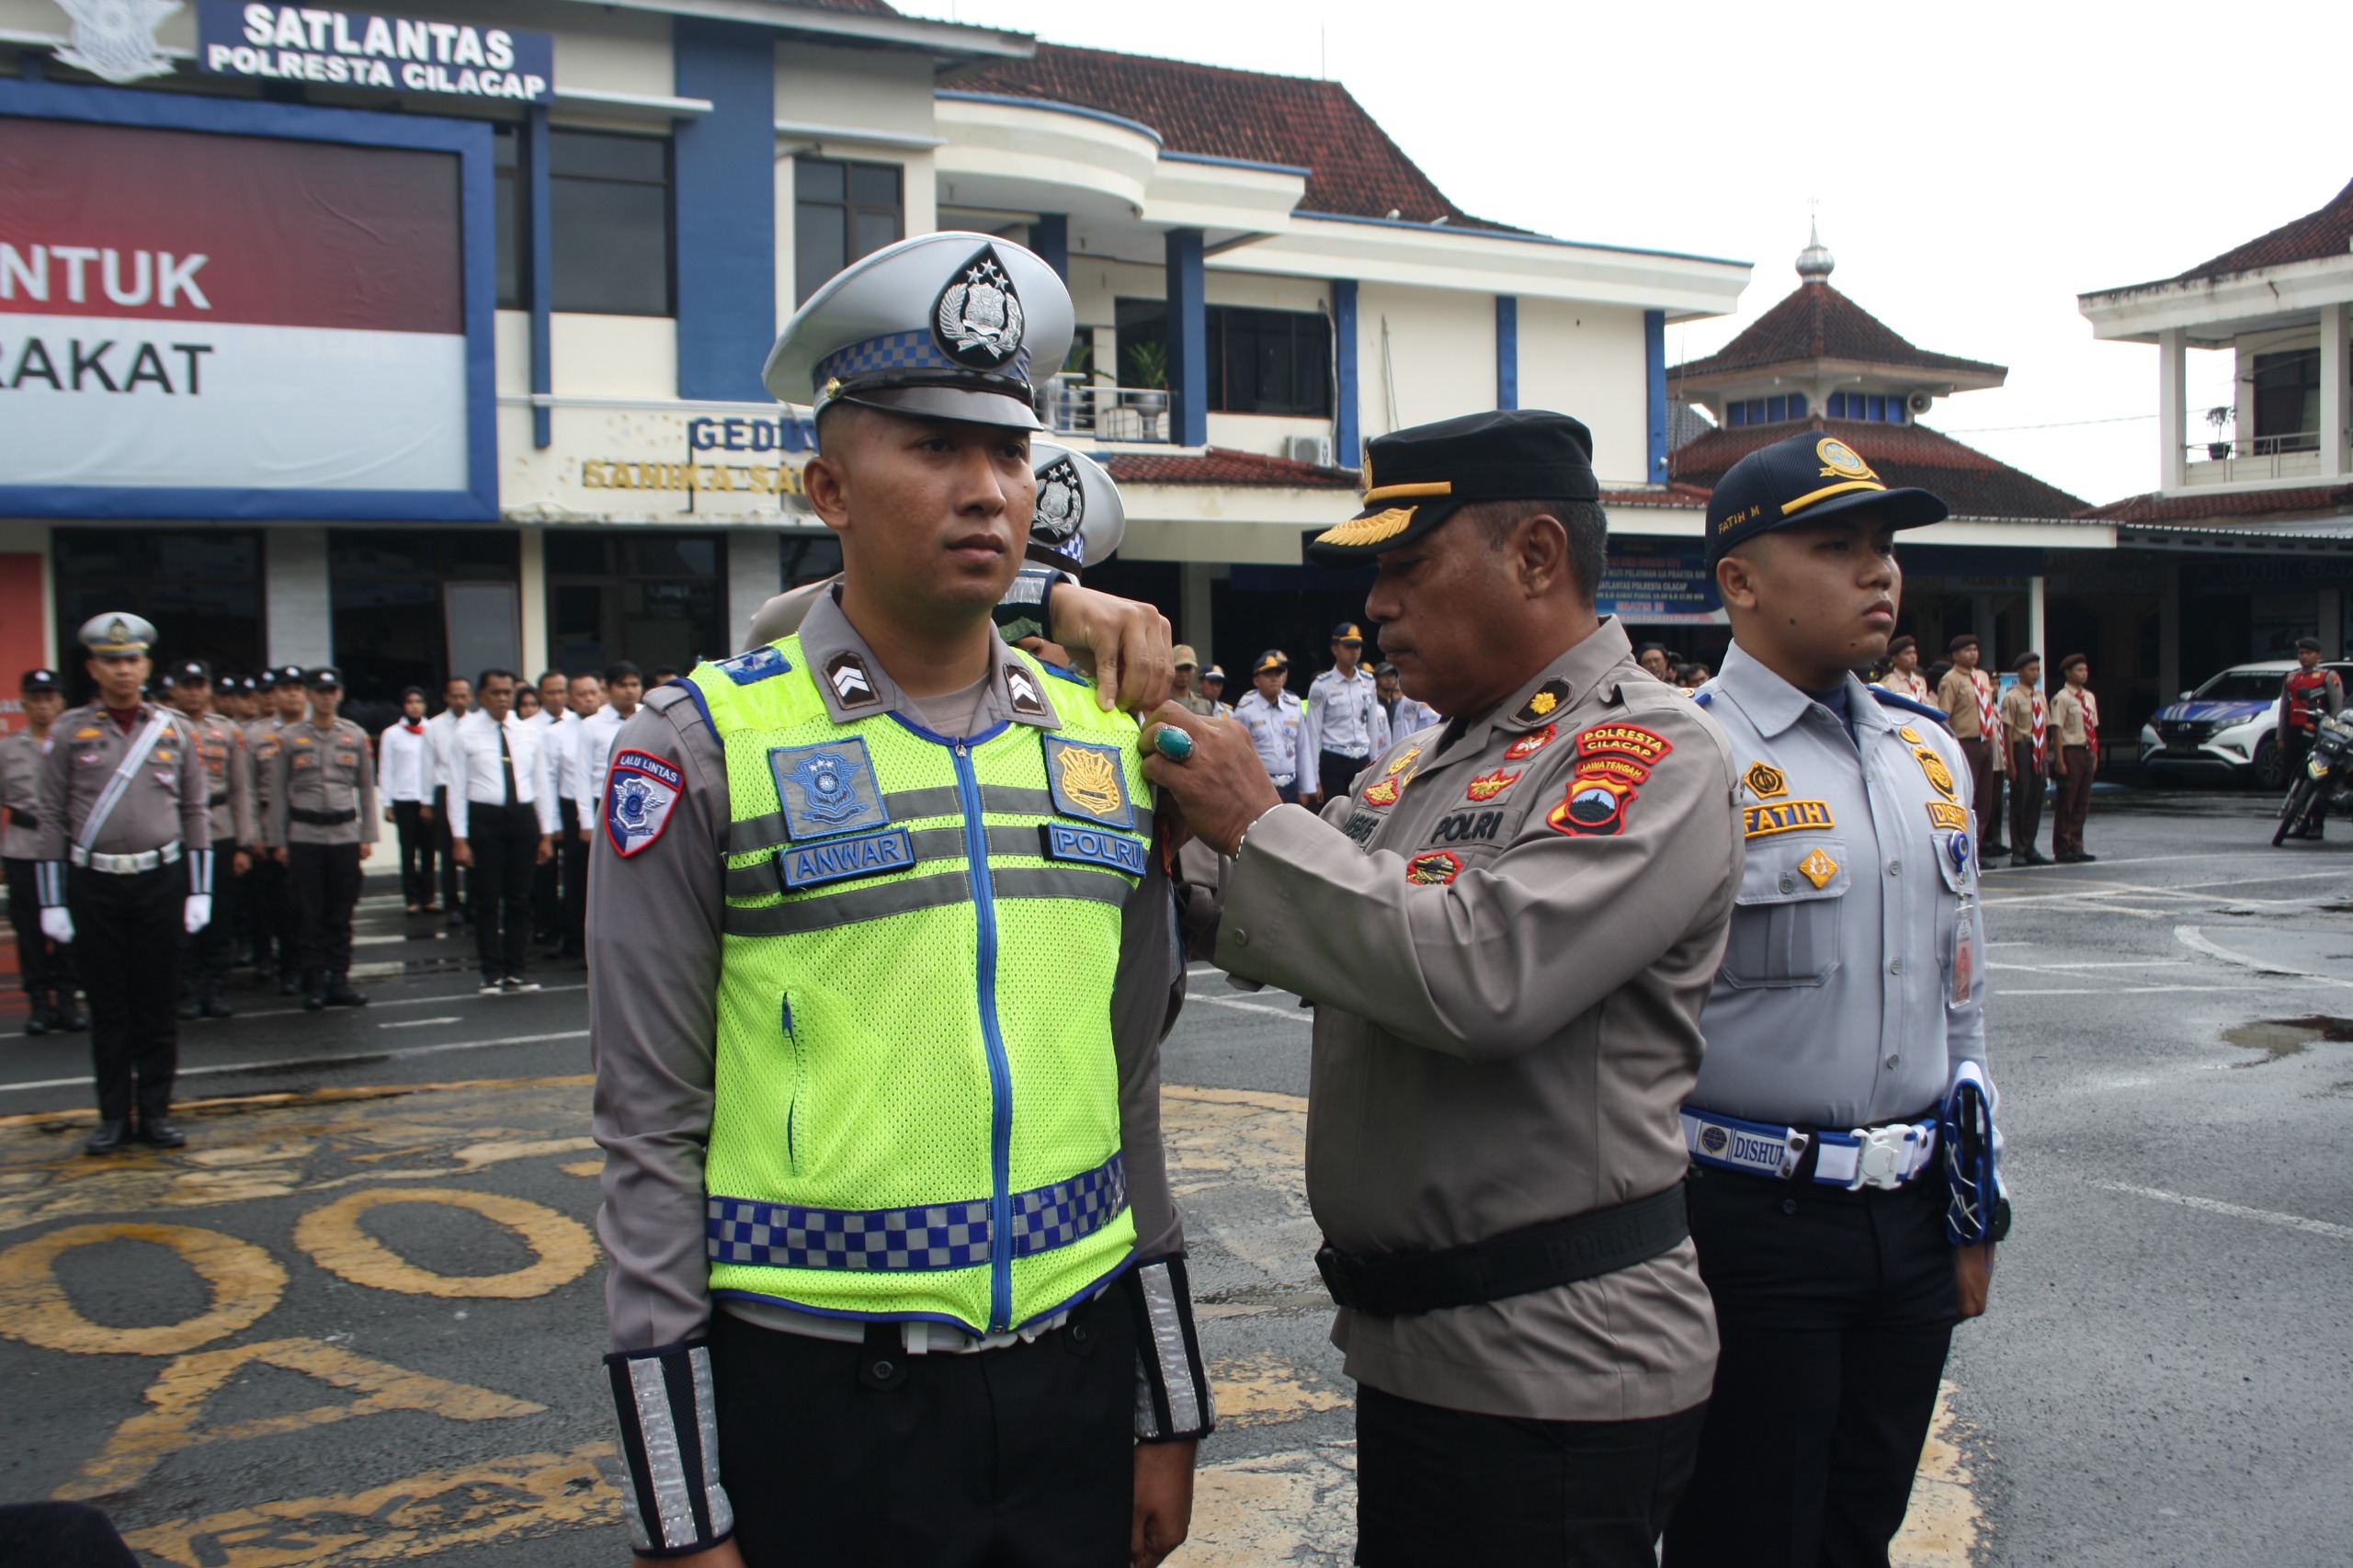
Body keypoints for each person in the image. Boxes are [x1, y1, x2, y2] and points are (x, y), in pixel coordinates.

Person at [588, 230, 1209, 1568]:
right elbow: (647, 1134)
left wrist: (1167, 1402)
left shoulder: (1106, 743)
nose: (985, 489)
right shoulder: (700, 745)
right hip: (821, 1403)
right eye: (931, 447)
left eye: (1009, 452)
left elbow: (1131, 1091)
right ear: (829, 486)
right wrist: (678, 1508)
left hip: (1074, 1380)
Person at [1146, 408, 1736, 1565]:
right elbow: (1294, 905)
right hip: (1427, 1353)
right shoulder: (1427, 757)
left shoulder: (1647, 751)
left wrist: (1254, 819)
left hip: (1556, 1368)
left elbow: (1484, 972)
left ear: (1536, 555)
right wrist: (1148, 821)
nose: (1376, 604)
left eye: (1408, 565)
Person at [1658, 430, 2004, 1568]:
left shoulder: (1925, 754)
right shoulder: (1684, 754)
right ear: (1740, 580)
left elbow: (1961, 1000)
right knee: (1744, 1533)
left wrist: (1972, 1210)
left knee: (1861, 1527)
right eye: (1836, 544)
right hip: (1744, 1219)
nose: (1878, 571)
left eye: (1884, 546)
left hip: (1911, 1213)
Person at [30, 615, 211, 1155]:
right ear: (93, 668)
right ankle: (112, 1117)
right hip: (95, 885)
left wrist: (200, 889)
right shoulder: (68, 731)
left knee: (156, 1004)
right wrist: (51, 899)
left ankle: (155, 1113)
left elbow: (195, 810)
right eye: (111, 661)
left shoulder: (174, 729)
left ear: (146, 666)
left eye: (132, 660)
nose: (123, 670)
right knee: (109, 1008)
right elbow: (50, 816)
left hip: (161, 880)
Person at [264, 667, 377, 1009]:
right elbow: (277, 792)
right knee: (307, 913)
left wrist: (367, 835)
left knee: (341, 912)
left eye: (332, 691)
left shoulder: (355, 735)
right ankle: (314, 982)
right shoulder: (288, 738)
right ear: (310, 695)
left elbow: (366, 788)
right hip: (305, 834)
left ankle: (339, 980)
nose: (326, 697)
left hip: (344, 834)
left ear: (339, 694)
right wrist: (278, 840)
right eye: (320, 691)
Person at [447, 670, 555, 994]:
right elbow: (456, 788)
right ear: (481, 696)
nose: (503, 698)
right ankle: (491, 971)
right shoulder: (465, 734)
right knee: (487, 898)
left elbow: (541, 784)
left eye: (507, 692)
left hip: (522, 818)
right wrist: (459, 838)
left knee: (520, 897)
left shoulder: (528, 732)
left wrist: (546, 833)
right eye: (495, 692)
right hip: (485, 819)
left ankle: (516, 970)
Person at [165, 659, 254, 1019]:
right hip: (175, 834)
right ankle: (185, 989)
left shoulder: (227, 730)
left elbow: (241, 789)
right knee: (178, 916)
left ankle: (213, 989)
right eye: (186, 685)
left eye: (200, 685)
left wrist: (244, 843)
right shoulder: (160, 727)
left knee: (219, 916)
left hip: (219, 831)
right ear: (173, 689)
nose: (194, 692)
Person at [3, 668, 84, 1036]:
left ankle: (67, 1000)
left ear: (61, 703)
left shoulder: (77, 745)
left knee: (69, 927)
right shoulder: (7, 749)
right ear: (24, 704)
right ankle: (39, 1004)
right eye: (35, 698)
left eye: (49, 698)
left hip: (66, 846)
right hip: (24, 848)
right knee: (30, 931)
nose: (43, 705)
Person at [1298, 621, 1390, 809]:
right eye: (1348, 646)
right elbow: (1313, 734)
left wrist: (1374, 764)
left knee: (1363, 811)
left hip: (1362, 757)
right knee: (1335, 814)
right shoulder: (1322, 685)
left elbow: (1372, 727)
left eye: (1358, 646)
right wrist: (1314, 780)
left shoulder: (1368, 682)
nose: (1354, 652)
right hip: (1334, 759)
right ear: (1335, 649)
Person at [1935, 633, 2006, 867]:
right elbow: (1944, 715)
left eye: (1975, 649)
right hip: (1965, 743)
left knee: (1984, 802)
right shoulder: (1951, 679)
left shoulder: (1982, 677)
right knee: (1967, 799)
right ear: (1956, 655)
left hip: (1985, 741)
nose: (1973, 654)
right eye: (1967, 650)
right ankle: (1963, 851)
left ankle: (1977, 849)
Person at [548, 670, 603, 960]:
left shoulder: (609, 725)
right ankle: (575, 941)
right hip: (572, 810)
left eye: (593, 692)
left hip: (606, 803)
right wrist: (553, 823)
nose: (589, 699)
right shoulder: (556, 733)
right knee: (577, 878)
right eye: (581, 694)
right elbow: (549, 779)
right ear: (570, 699)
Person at [380, 687, 437, 914]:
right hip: (403, 798)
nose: (414, 706)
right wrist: (387, 803)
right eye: (410, 702)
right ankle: (411, 899)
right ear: (403, 706)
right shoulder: (392, 734)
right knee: (408, 851)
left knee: (429, 850)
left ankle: (429, 897)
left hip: (427, 799)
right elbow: (386, 769)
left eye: (418, 701)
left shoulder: (432, 730)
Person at [424, 674, 472, 923]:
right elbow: (426, 765)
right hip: (444, 790)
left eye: (463, 696)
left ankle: (474, 903)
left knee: (474, 848)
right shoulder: (434, 726)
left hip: (471, 792)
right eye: (454, 696)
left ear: (471, 697)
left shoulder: (477, 724)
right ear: (446, 697)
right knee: (447, 849)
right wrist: (426, 801)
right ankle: (452, 903)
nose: (459, 700)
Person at [1998, 653, 2051, 867]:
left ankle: (2030, 846)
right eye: (2031, 670)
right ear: (2020, 672)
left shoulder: (2040, 698)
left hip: (2037, 750)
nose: (2035, 673)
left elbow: (2044, 729)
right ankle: (2017, 849)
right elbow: (2007, 731)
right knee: (2020, 799)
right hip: (2021, 749)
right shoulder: (2013, 698)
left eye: (2037, 670)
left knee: (2035, 800)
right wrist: (2010, 762)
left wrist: (2045, 758)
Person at [1232, 651, 1304, 802]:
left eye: (1278, 673)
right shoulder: (1246, 709)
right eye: (1268, 674)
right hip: (1261, 785)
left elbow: (1302, 748)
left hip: (1291, 784)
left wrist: (1306, 788)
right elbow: (1237, 751)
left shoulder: (1293, 706)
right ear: (1256, 680)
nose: (1274, 678)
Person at [2050, 653, 2100, 858]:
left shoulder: (2089, 697)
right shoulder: (2062, 698)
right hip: (2070, 751)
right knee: (2067, 801)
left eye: (2085, 670)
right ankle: (2062, 846)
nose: (2084, 673)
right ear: (2068, 673)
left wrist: (2094, 753)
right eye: (2079, 670)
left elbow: (2093, 728)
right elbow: (2057, 729)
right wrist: (2059, 758)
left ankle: (2076, 844)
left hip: (2086, 750)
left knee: (2082, 801)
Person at [2278, 634, 2345, 782]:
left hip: (2316, 733)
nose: (2304, 656)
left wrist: (2332, 735)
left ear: (2318, 655)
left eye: (2309, 653)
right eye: (2301, 653)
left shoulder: (2328, 676)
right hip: (2293, 733)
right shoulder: (2291, 677)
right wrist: (2280, 737)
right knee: (2291, 773)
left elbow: (2336, 708)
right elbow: (2283, 710)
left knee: (2314, 774)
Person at [1373, 660, 1438, 736]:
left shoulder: (1397, 702)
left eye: (1392, 675)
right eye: (1385, 675)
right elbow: (1405, 735)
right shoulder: (1410, 700)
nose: (1389, 678)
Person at [1875, 634, 1930, 701]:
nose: (1913, 657)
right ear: (1895, 658)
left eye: (1914, 653)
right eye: (1908, 653)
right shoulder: (1888, 683)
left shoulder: (1920, 680)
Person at [1172, 646, 1213, 716]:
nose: (1183, 674)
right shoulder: (1160, 701)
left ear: (1194, 670)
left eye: (1187, 669)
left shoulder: (1205, 705)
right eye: (1179, 669)